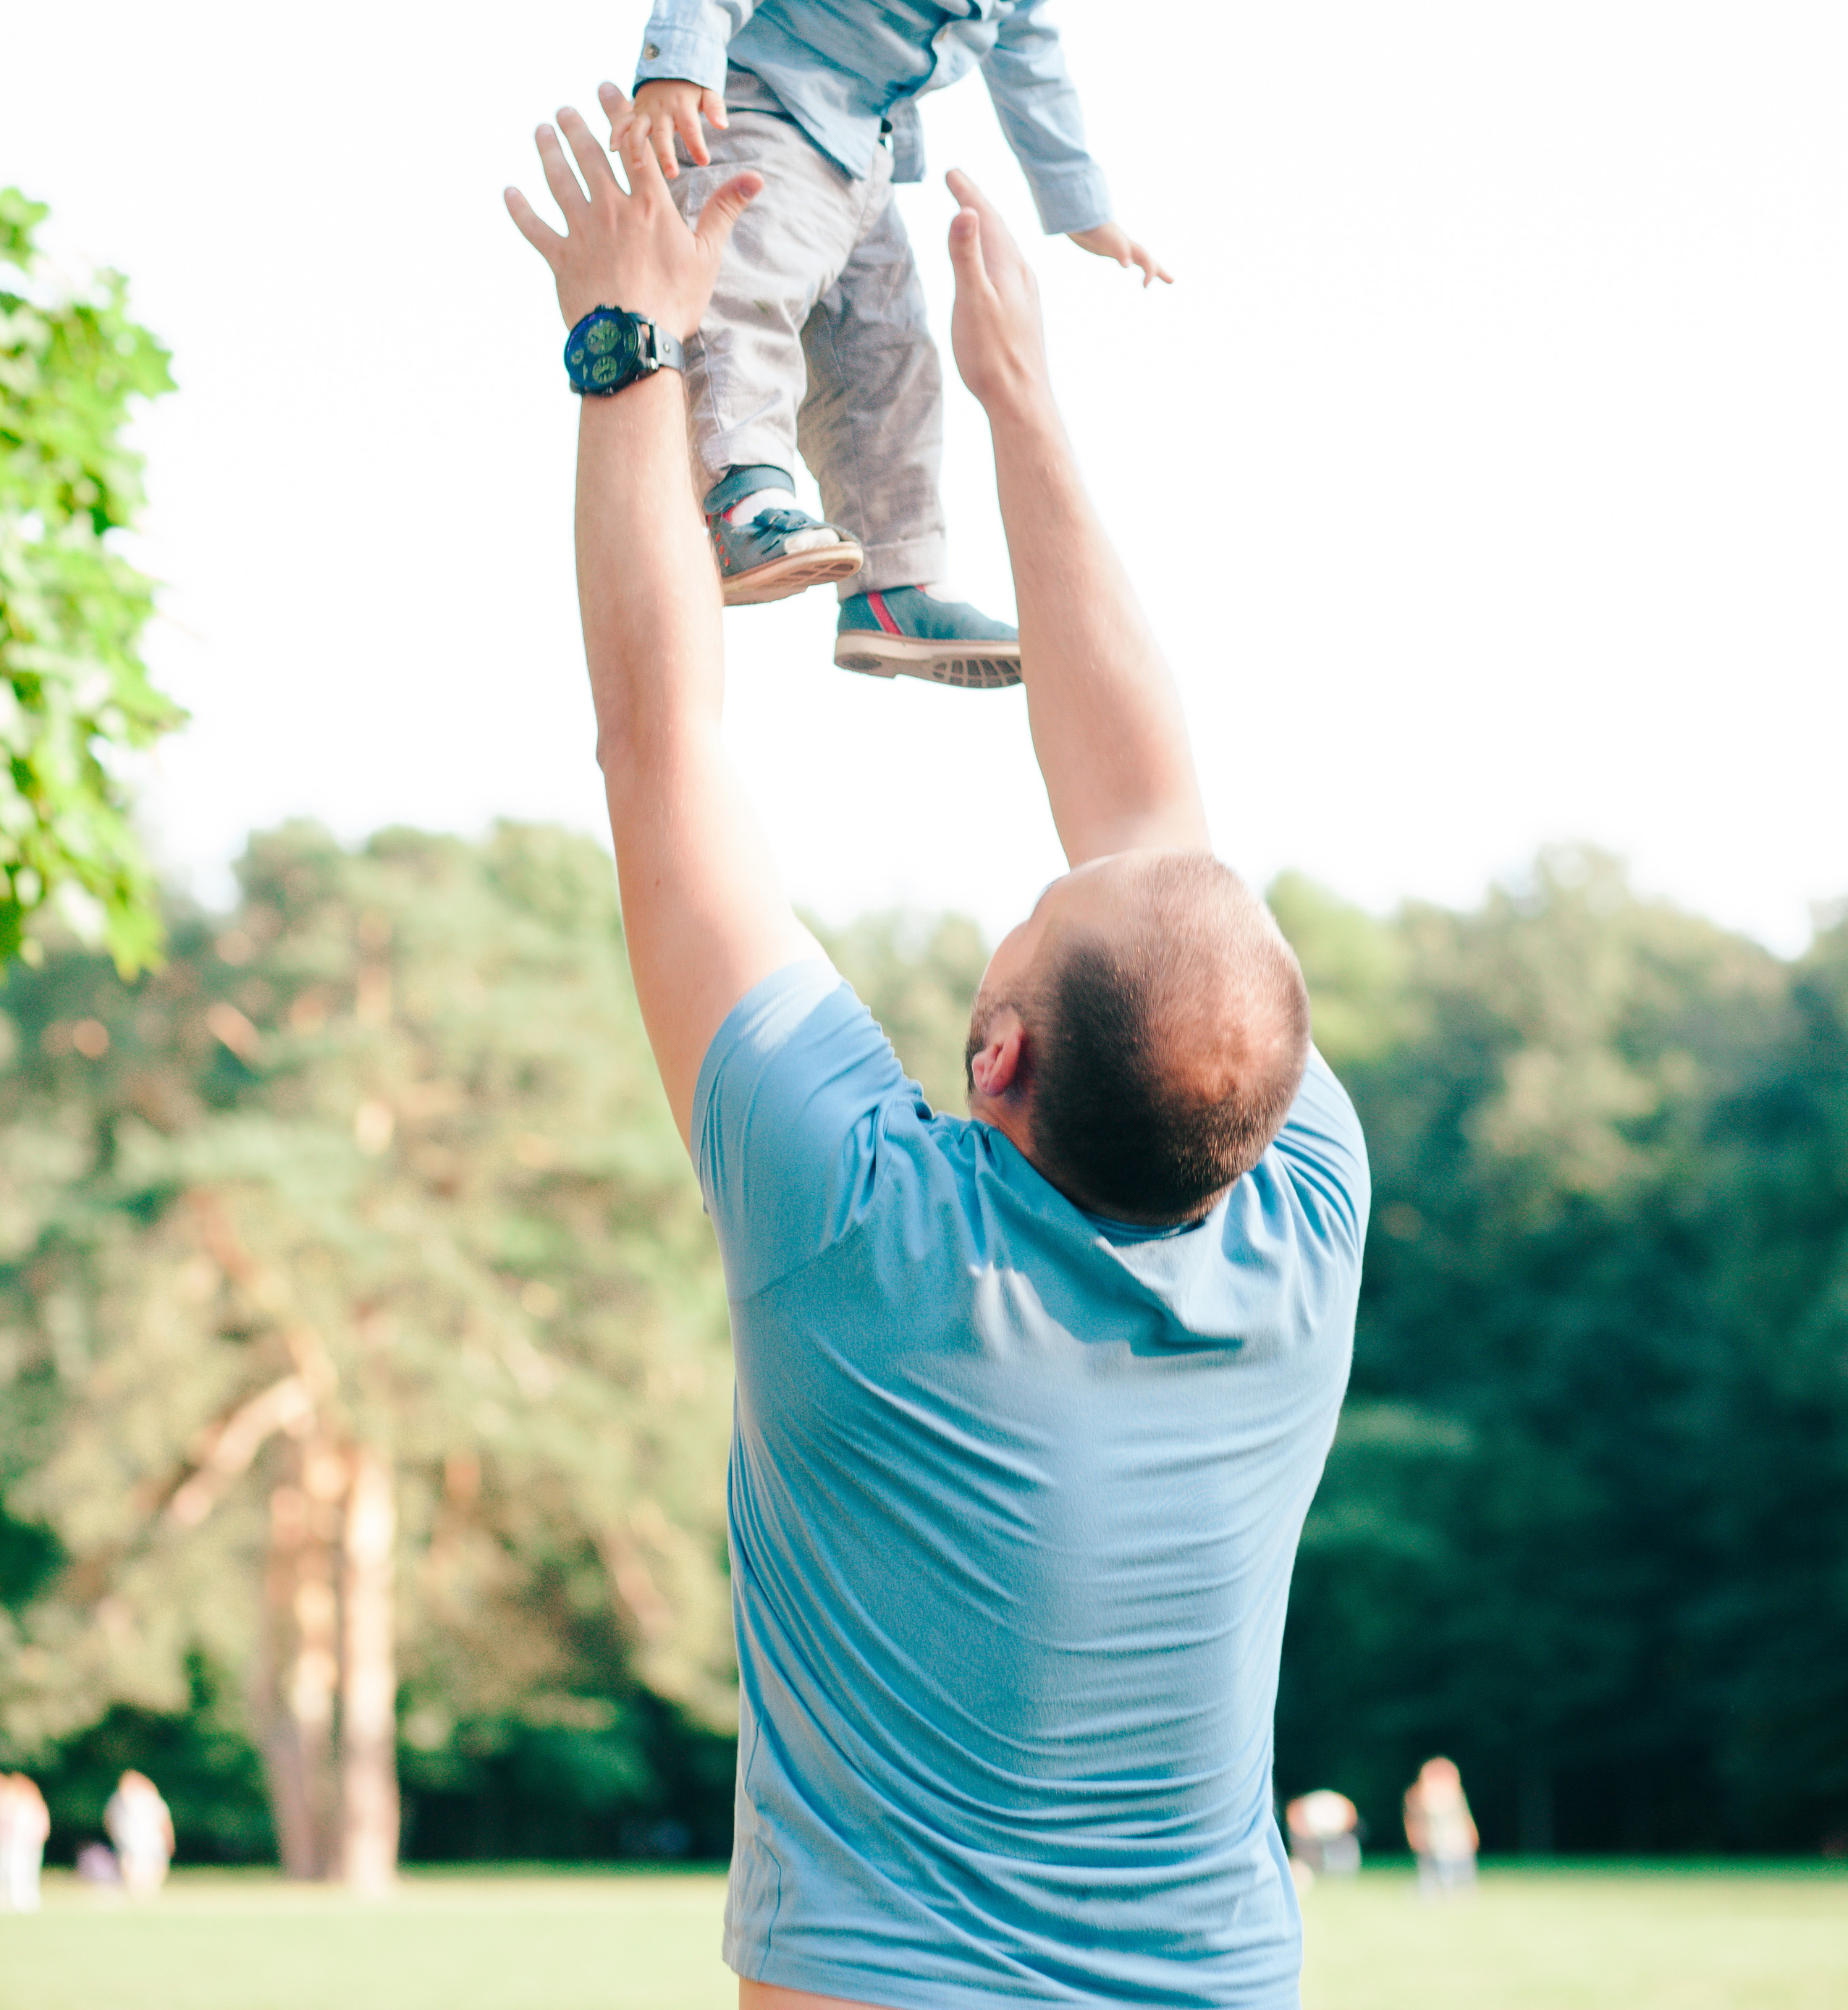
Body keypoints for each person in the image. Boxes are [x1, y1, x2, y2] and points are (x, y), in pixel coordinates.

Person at [505, 98, 1369, 2010]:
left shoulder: (863, 1233)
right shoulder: (1303, 1223)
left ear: (996, 1059)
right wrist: (1021, 405)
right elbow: (1150, 819)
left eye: (1038, 915)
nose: (1060, 871)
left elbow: (663, 756)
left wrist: (625, 347)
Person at [617, 0, 1174, 688]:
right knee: (750, 292)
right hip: (759, 112)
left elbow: (1034, 63)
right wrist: (674, 68)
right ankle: (742, 492)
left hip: (863, 157)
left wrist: (1082, 205)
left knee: (891, 355)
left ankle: (891, 585)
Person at [1402, 1757, 1478, 1897]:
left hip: (1458, 1839)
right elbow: (1414, 1820)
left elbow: (1465, 1817)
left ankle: (1462, 1896)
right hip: (1435, 1840)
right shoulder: (1419, 1795)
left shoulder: (1456, 1794)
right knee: (1434, 1871)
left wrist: (1472, 1834)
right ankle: (1435, 1894)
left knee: (1463, 1871)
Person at [103, 1770, 173, 1899]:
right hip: (134, 1842)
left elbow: (163, 1821)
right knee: (134, 1870)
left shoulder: (147, 1798)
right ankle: (139, 1893)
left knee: (149, 1870)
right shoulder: (118, 1800)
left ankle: (144, 1892)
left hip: (149, 1841)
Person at [0, 1772, 50, 1912]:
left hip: (28, 1841)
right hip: (14, 1841)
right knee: (12, 1868)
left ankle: (25, 1897)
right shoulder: (14, 1802)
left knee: (24, 1868)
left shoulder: (30, 1803)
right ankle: (14, 1896)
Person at [1283, 1789, 1362, 1883]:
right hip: (1314, 1831)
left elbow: (1349, 1814)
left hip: (1330, 1831)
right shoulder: (1306, 1810)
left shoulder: (1334, 1807)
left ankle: (1341, 1870)